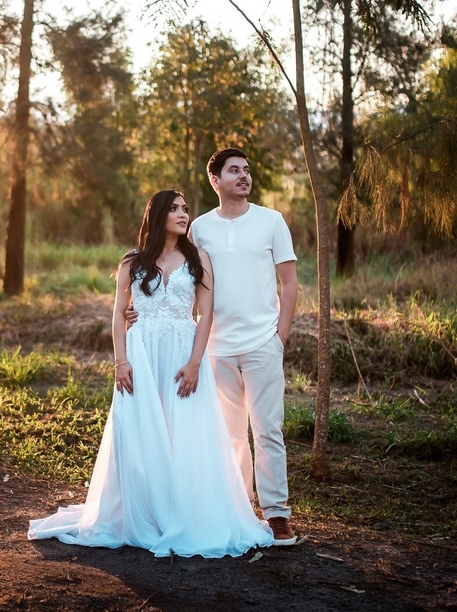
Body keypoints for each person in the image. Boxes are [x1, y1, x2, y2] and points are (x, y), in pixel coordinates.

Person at [28, 190, 274, 557]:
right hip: (141, 354)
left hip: (182, 353)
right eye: (174, 208)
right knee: (142, 429)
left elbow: (206, 314)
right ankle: (143, 510)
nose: (182, 214)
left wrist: (195, 363)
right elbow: (117, 313)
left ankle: (181, 511)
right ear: (157, 215)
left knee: (184, 430)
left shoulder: (199, 258)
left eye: (185, 209)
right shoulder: (132, 261)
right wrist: (121, 361)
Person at [188, 147, 300, 545]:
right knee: (231, 433)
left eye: (247, 170)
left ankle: (276, 515)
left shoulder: (272, 221)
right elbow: (189, 285)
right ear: (215, 180)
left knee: (268, 430)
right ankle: (238, 509)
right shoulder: (199, 228)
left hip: (261, 343)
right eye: (233, 170)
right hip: (216, 347)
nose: (243, 176)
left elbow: (289, 283)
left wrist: (278, 339)